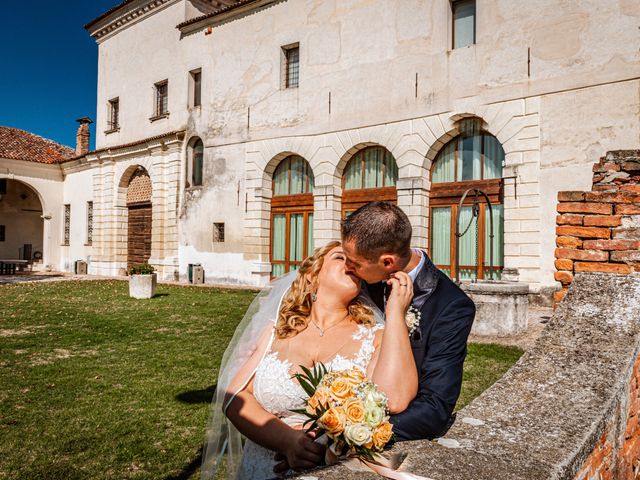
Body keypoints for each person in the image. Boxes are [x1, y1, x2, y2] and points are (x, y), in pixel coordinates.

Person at [200, 241, 418, 480]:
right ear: (313, 275)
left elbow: (395, 400)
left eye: (356, 262)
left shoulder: (374, 335)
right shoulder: (277, 331)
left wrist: (396, 311)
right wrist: (286, 441)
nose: (351, 264)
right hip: (262, 468)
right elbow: (235, 397)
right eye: (339, 257)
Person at [341, 201, 476, 441]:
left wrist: (350, 433)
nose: (346, 267)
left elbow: (434, 408)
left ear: (387, 262)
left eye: (355, 263)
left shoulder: (451, 307)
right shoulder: (351, 283)